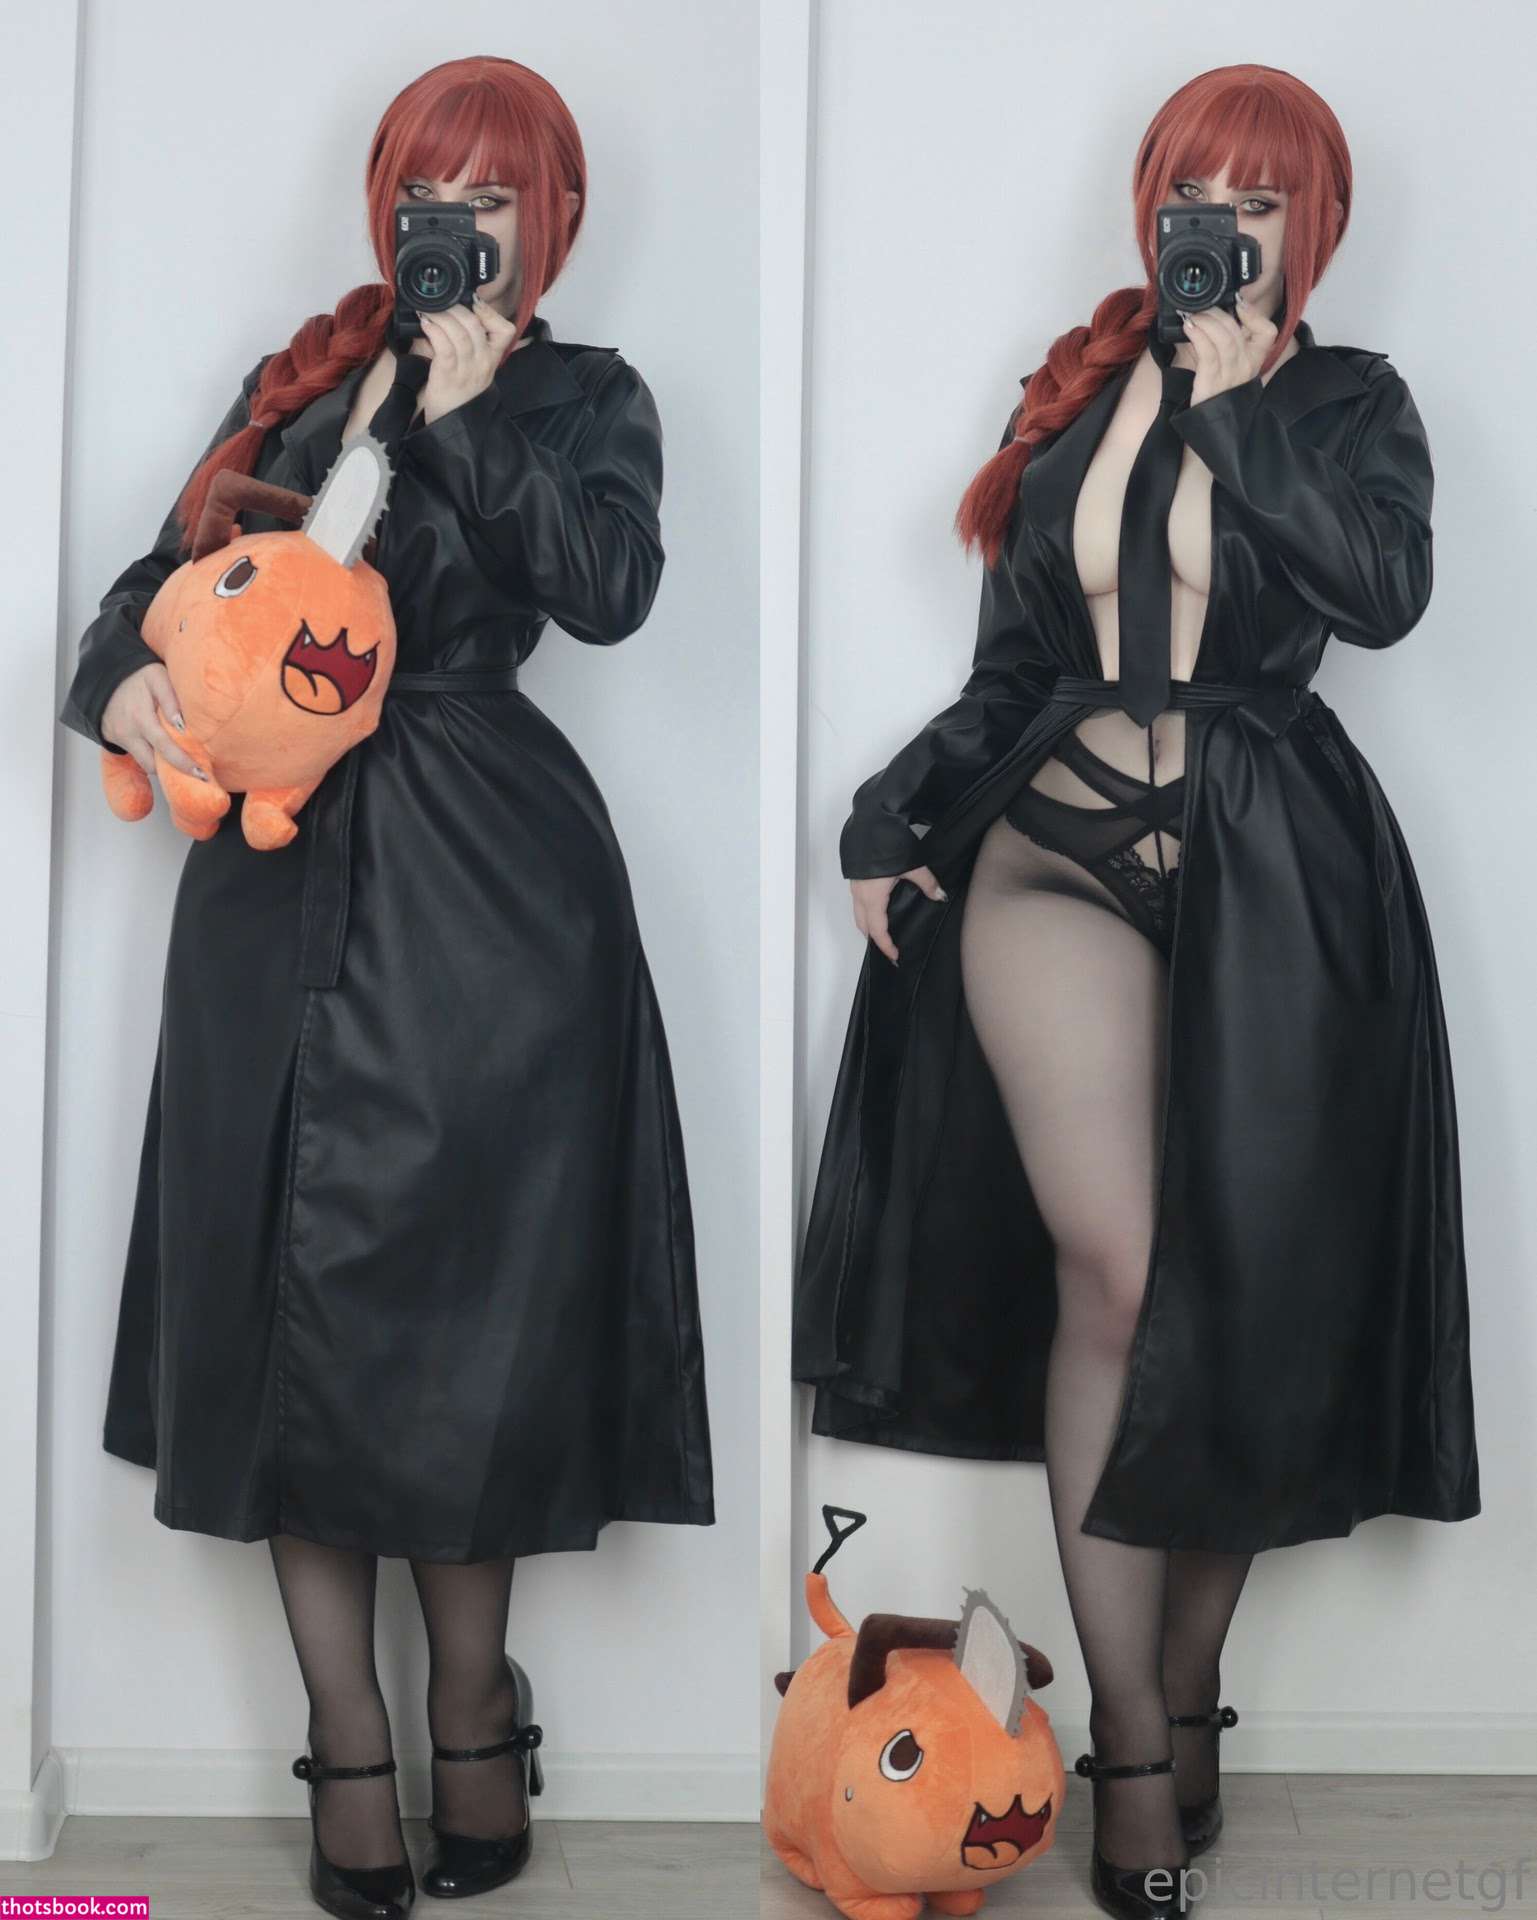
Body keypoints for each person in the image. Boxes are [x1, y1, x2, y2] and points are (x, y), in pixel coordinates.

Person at [793, 63, 1479, 1920]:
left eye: (1259, 202)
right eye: (1196, 195)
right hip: (1054, 856)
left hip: (1277, 864)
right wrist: (885, 814)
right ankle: (1126, 1742)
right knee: (1117, 1265)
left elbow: (1381, 594)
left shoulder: (1347, 401)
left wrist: (1242, 406)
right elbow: (1013, 670)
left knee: (1234, 1284)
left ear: (1311, 228)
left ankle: (1184, 1691)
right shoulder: (1077, 396)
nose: (1221, 229)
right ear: (1150, 210)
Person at [60, 54, 714, 1920]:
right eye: (431, 194)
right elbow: (148, 590)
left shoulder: (586, 393)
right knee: (287, 1305)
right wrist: (121, 689)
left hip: (488, 889)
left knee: (458, 1315)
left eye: (491, 196)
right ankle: (346, 1740)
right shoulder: (295, 382)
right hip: (268, 897)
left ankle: (472, 1706)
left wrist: (475, 410)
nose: (455, 226)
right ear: (386, 208)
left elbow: (609, 591)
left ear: (549, 218)